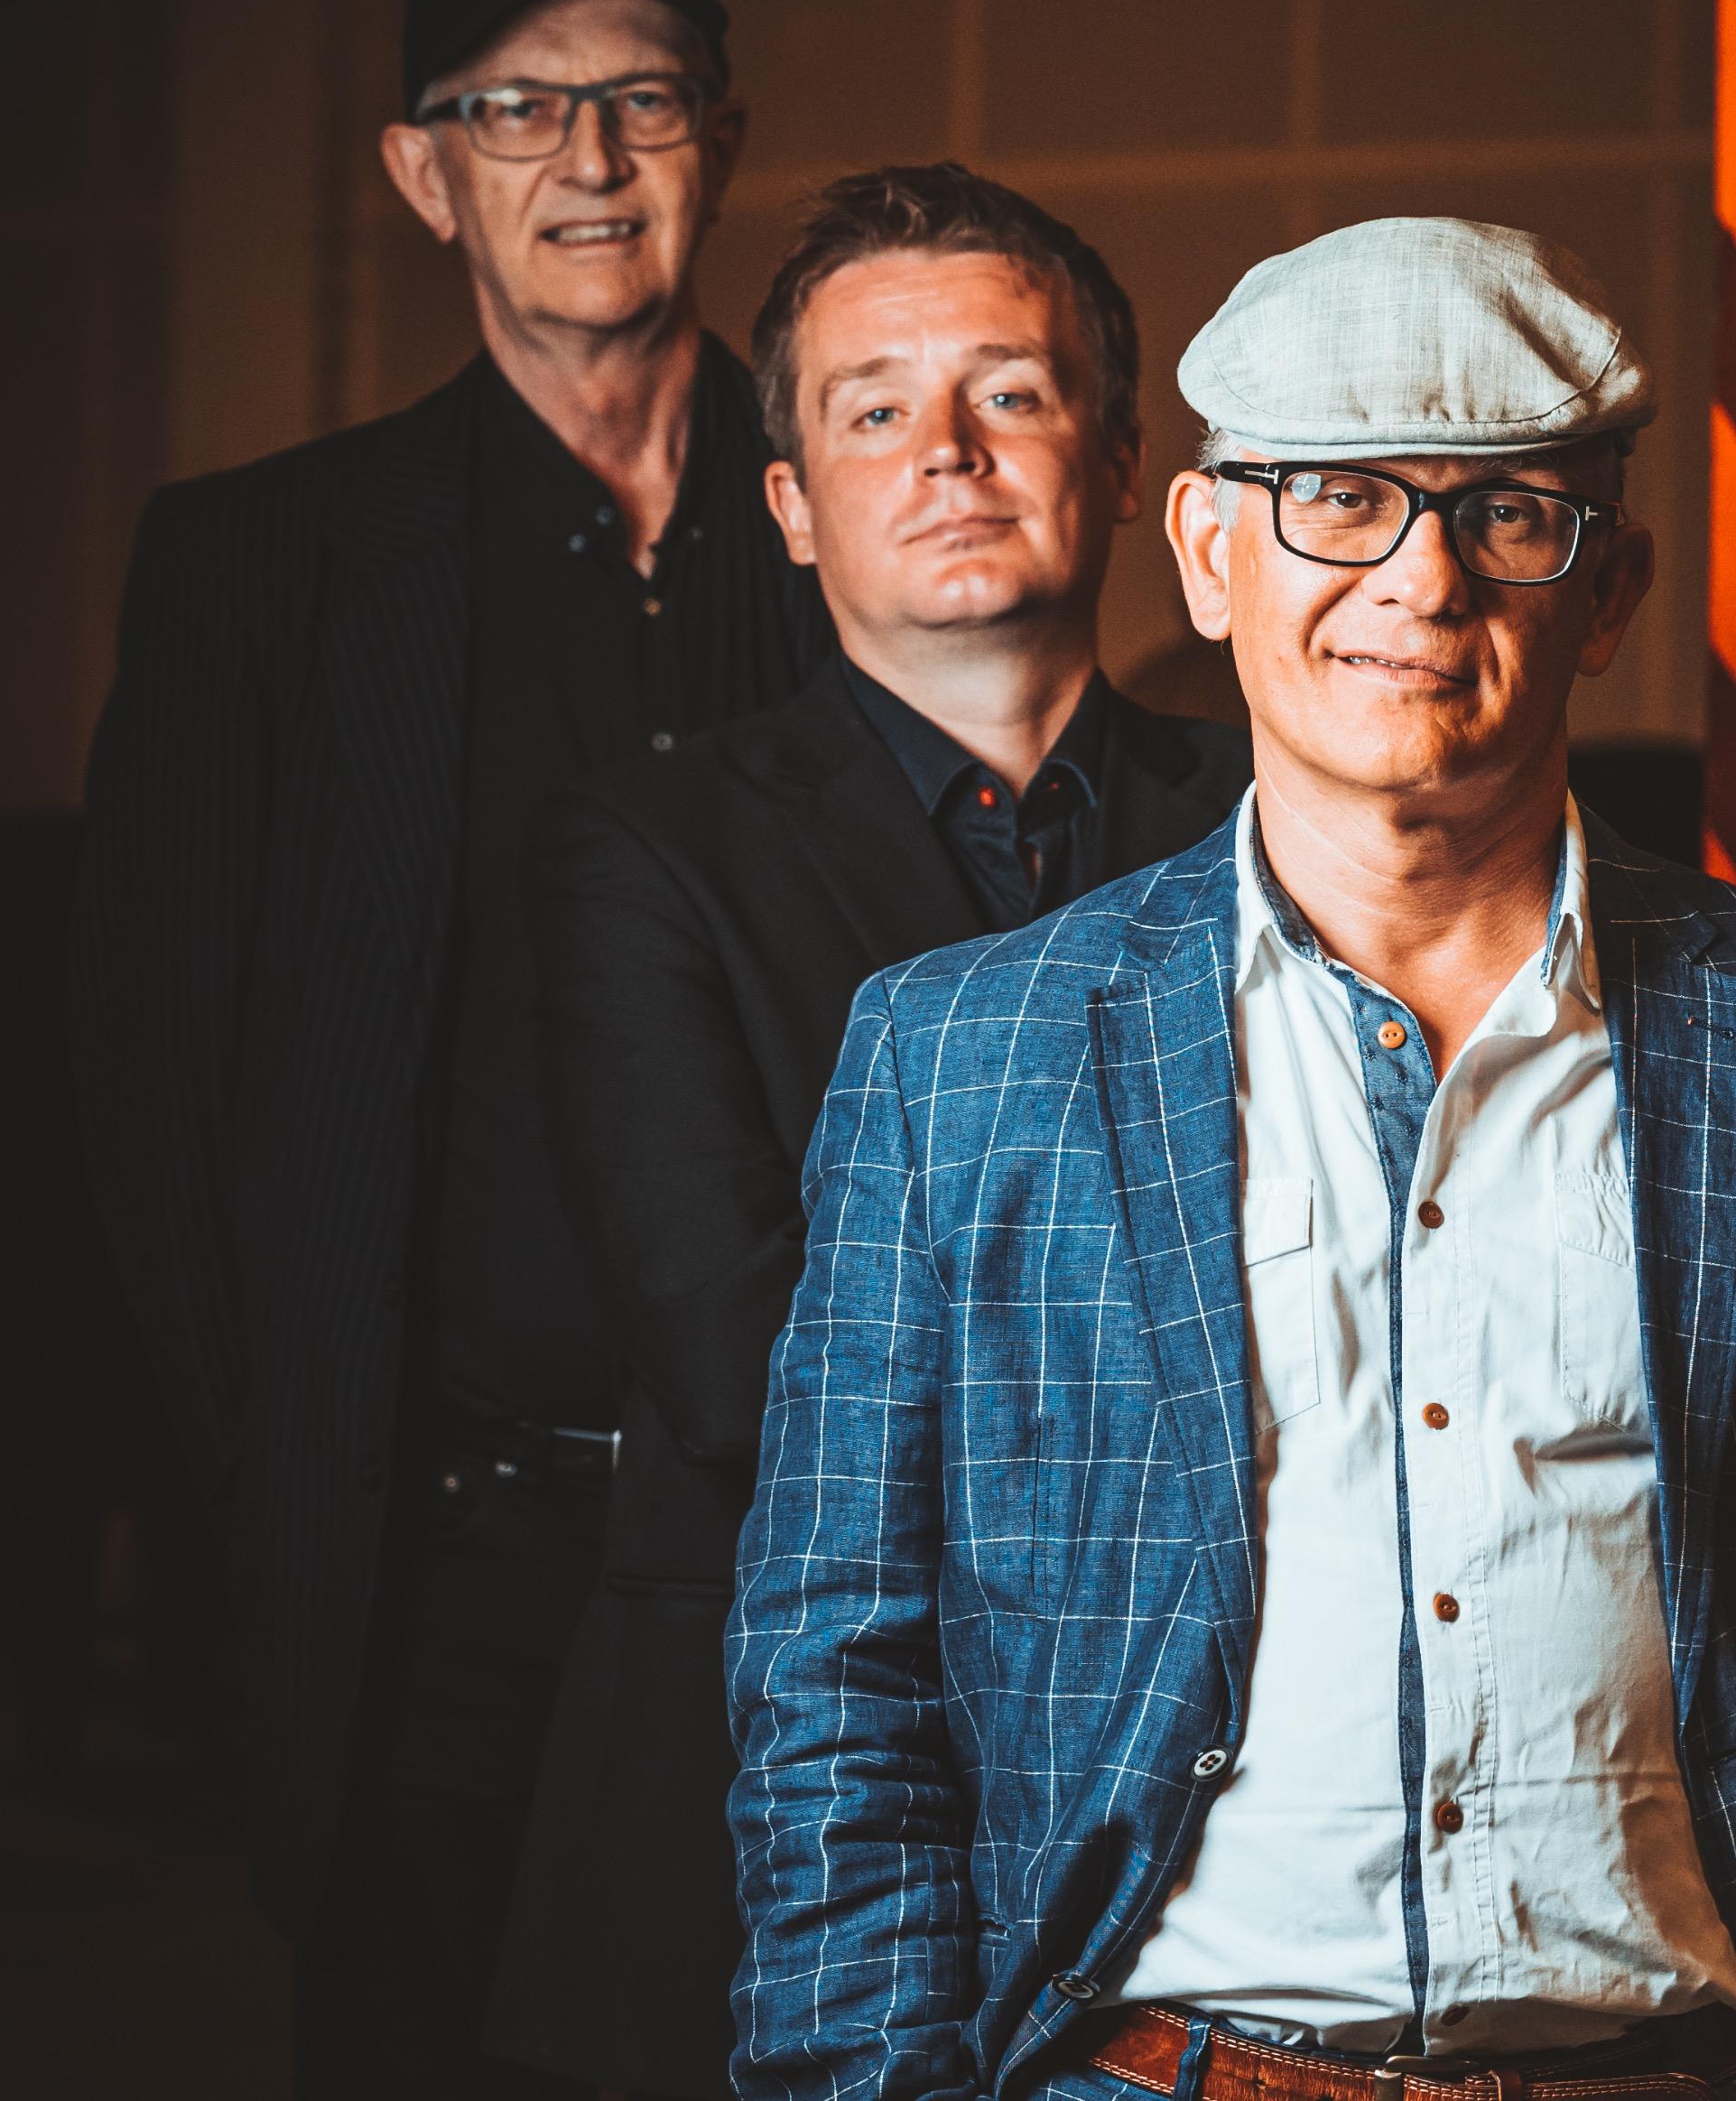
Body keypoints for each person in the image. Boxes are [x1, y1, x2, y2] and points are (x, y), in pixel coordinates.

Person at [727, 218, 1736, 2101]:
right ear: (1210, 552)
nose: (1422, 580)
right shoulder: (963, 1056)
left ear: (1611, 589)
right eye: (1340, 500)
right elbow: (838, 1681)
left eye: (1510, 513)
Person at [68, 0, 823, 2098]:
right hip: (436, 1552)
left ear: (719, 141)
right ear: (425, 173)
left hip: (795, 1537)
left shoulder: (858, 525)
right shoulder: (266, 566)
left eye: (643, 100)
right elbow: (150, 1081)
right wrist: (284, 1469)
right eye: (517, 110)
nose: (587, 157)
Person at [482, 164, 1247, 2100]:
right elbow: (746, 1357)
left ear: (1124, 461)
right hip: (793, 1756)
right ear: (793, 506)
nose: (950, 452)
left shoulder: (1281, 817)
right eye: (875, 407)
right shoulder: (643, 851)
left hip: (1226, 1770)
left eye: (1014, 392)